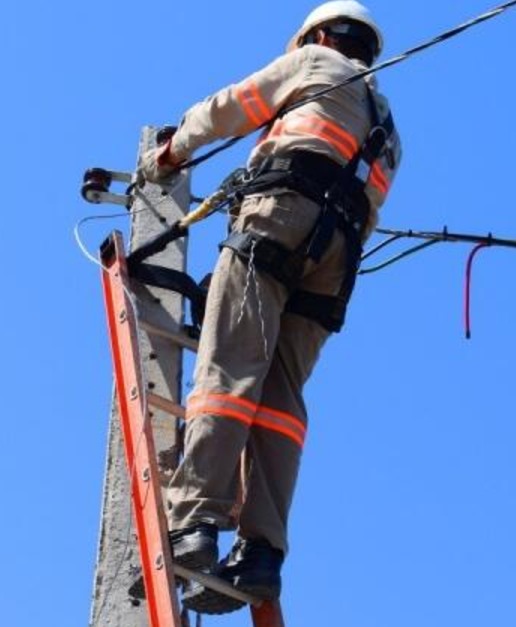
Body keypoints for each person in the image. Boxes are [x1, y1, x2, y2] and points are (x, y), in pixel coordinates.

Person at [138, 0, 402, 615]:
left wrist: (169, 155)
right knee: (281, 402)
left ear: (317, 35)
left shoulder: (313, 61)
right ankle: (262, 553)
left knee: (230, 369)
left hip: (278, 223)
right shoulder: (388, 129)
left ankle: (195, 520)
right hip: (336, 259)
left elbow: (230, 108)